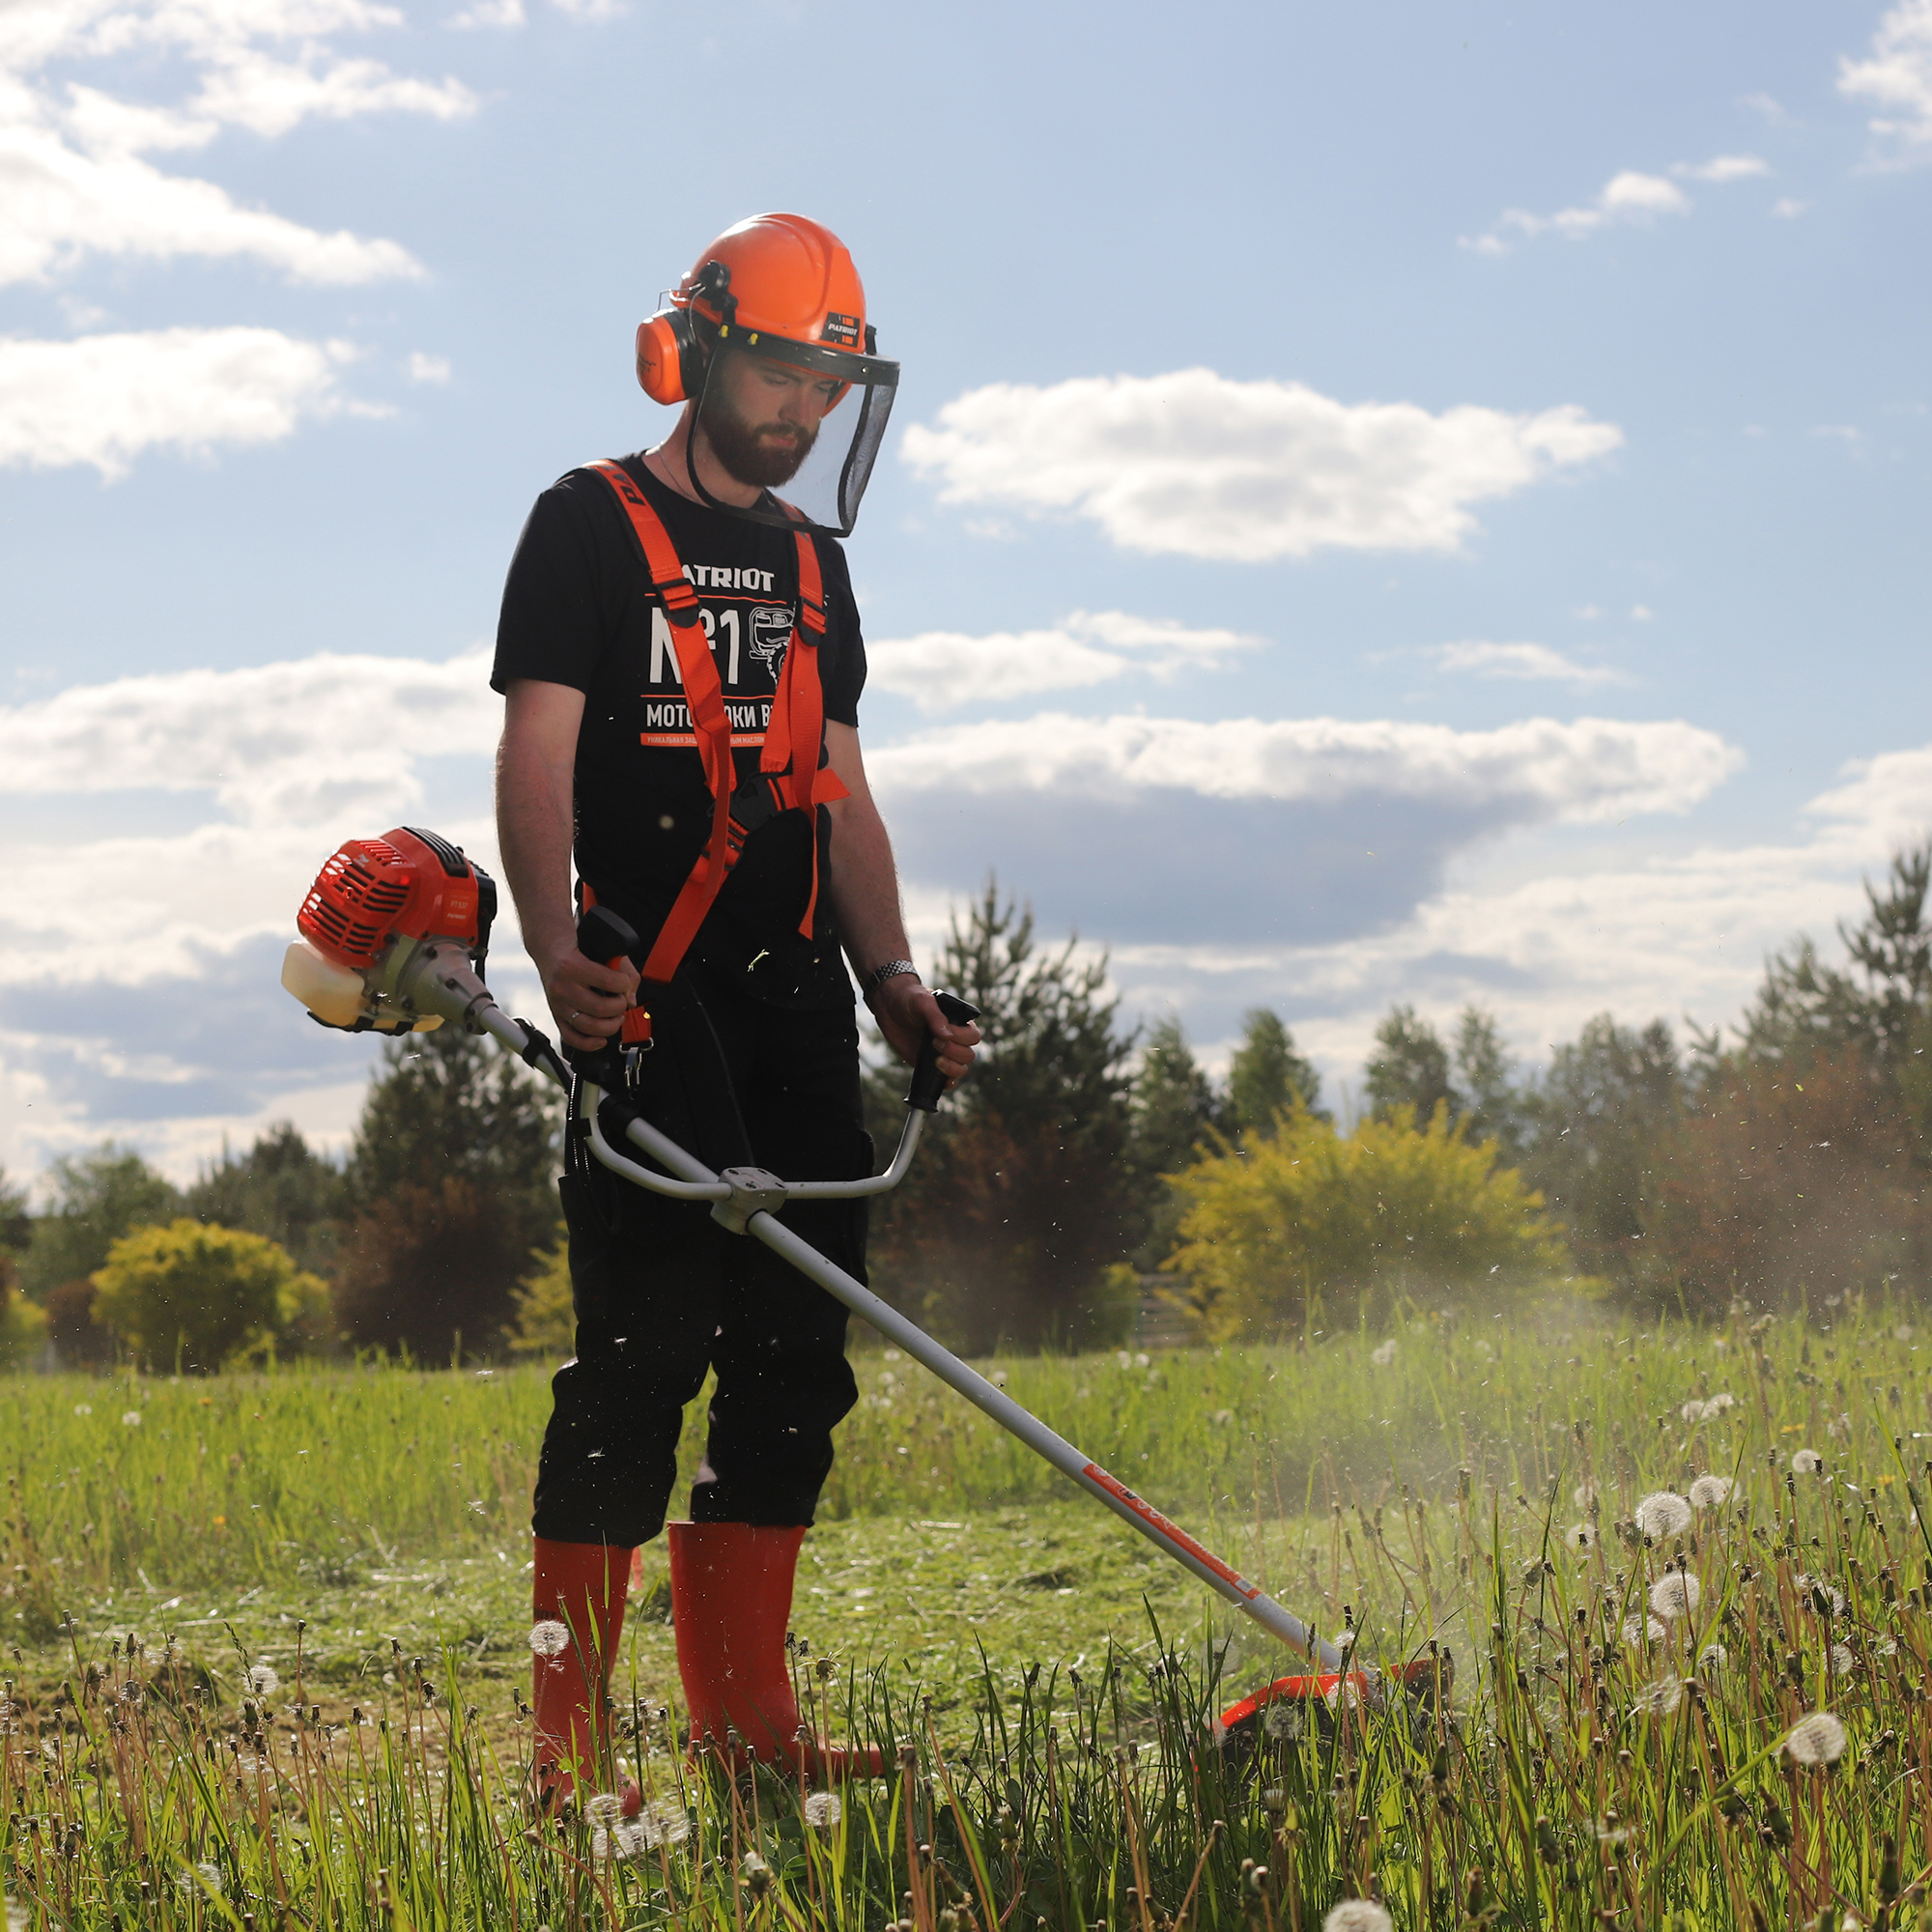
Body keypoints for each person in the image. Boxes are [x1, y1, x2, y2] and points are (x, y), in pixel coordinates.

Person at [491, 212, 978, 1797]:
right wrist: (557, 949)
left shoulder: (818, 566)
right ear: (694, 349)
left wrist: (893, 979)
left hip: (799, 1010)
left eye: (829, 386)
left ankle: (749, 1733)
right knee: (638, 1359)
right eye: (777, 371)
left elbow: (841, 792)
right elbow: (536, 753)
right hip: (648, 1003)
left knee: (795, 1361)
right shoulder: (584, 523)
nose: (801, 409)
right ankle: (568, 1759)